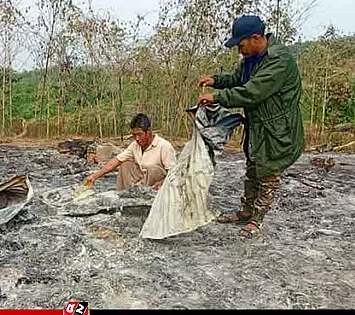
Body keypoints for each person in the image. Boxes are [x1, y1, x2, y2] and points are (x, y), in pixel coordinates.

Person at [197, 15, 305, 238]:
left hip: (278, 130)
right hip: (258, 126)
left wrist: (217, 97)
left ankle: (257, 220)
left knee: (268, 173)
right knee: (253, 169)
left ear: (256, 38)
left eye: (241, 44)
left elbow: (252, 92)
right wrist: (216, 80)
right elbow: (238, 79)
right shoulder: (251, 59)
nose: (239, 49)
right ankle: (246, 211)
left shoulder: (278, 60)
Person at [85, 114, 176, 191]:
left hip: (157, 184)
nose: (137, 138)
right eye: (134, 135)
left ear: (149, 131)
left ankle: (141, 193)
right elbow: (115, 161)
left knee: (154, 170)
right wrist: (94, 177)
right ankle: (125, 193)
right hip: (141, 179)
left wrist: (162, 183)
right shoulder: (134, 146)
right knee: (125, 163)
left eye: (140, 134)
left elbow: (173, 174)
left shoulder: (164, 146)